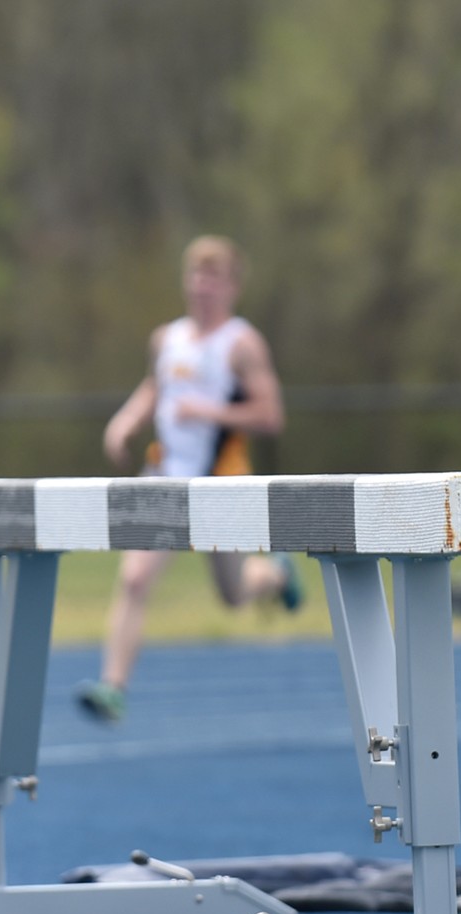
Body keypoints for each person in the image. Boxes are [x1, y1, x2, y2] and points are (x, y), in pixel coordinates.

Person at [76, 235, 299, 724]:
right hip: (164, 478)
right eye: (196, 276)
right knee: (134, 579)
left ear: (232, 287)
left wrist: (210, 411)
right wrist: (126, 421)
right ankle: (113, 686)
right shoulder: (167, 339)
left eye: (212, 278)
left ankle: (276, 575)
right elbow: (155, 388)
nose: (202, 286)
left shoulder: (242, 344)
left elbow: (270, 415)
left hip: (220, 483)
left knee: (232, 594)